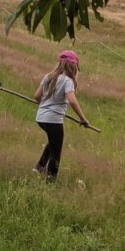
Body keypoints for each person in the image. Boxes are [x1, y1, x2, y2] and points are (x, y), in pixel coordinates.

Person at [33, 49, 90, 182]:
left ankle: (39, 167)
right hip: (54, 120)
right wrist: (83, 119)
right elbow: (72, 101)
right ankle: (50, 180)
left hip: (41, 118)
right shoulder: (67, 81)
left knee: (52, 142)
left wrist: (45, 106)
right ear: (74, 66)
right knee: (56, 152)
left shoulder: (48, 76)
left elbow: (36, 96)